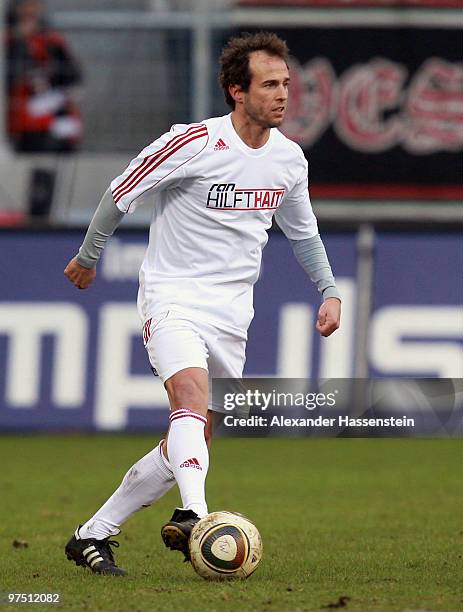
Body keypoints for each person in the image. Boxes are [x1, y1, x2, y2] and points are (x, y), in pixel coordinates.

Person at [63, 32, 341, 576]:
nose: (283, 94)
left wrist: (328, 290)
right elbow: (123, 191)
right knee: (187, 400)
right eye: (270, 84)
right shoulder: (193, 142)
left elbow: (303, 233)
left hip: (233, 312)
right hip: (173, 297)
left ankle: (92, 534)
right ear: (237, 91)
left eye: (286, 83)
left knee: (190, 439)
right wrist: (89, 254)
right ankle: (197, 516)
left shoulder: (289, 161)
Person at [6, 0, 82, 152]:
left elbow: (72, 73)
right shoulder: (9, 39)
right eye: (26, 6)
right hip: (21, 103)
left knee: (67, 127)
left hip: (51, 98)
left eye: (34, 5)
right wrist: (19, 41)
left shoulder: (51, 38)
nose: (31, 11)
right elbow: (12, 74)